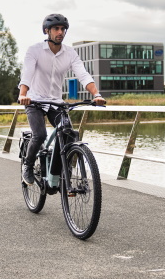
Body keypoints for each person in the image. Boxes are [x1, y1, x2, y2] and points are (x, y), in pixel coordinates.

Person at [18, 13, 105, 186]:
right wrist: (23, 94)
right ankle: (27, 166)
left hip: (55, 102)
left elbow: (82, 74)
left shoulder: (70, 53)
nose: (60, 32)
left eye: (63, 29)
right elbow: (27, 73)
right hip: (34, 101)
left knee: (68, 135)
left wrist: (96, 94)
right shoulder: (34, 50)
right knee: (40, 134)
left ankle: (63, 172)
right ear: (47, 31)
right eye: (56, 29)